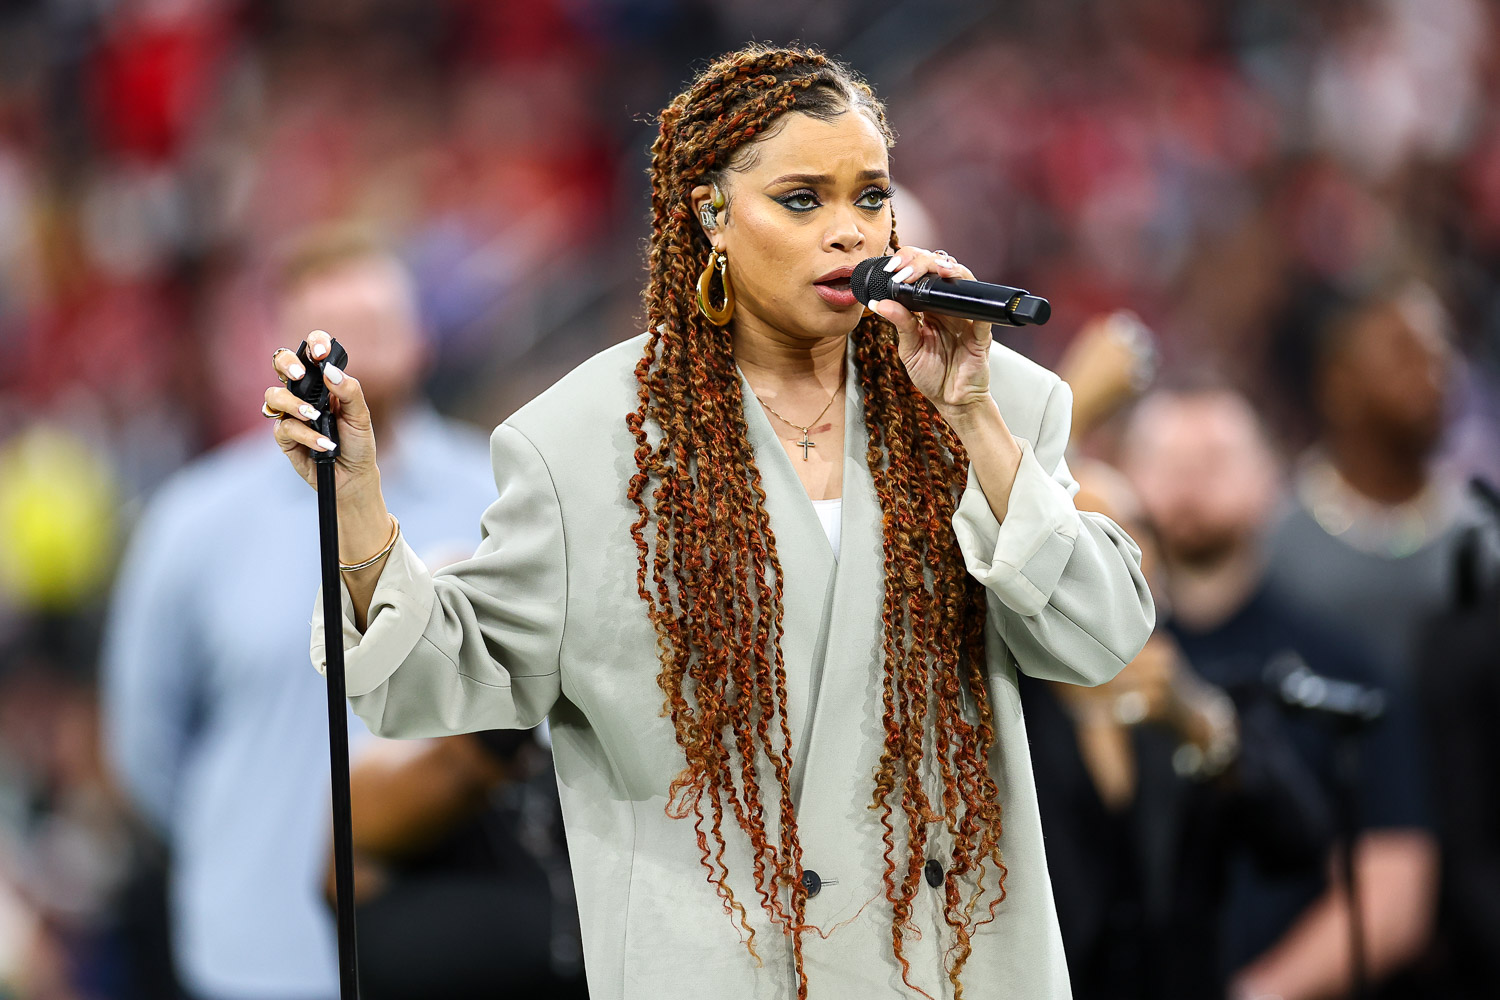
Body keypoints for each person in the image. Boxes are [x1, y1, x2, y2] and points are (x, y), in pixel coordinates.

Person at [265, 45, 1155, 1000]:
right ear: (711, 216)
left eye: (871, 197)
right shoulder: (583, 441)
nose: (851, 233)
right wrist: (355, 500)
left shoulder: (1000, 401)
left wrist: (972, 413)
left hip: (961, 967)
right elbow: (429, 682)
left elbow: (1100, 640)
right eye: (803, 199)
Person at [101, 229, 499, 1000]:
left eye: (378, 328)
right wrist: (239, 844)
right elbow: (145, 743)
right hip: (255, 954)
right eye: (332, 341)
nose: (357, 361)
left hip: (454, 945)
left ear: (421, 340)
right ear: (285, 358)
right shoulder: (195, 520)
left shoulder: (497, 494)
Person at [1120, 384, 1437, 1000]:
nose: (1190, 484)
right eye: (1167, 462)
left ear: (1273, 477)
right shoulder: (1083, 663)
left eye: (1215, 461)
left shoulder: (1343, 666)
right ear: (1124, 476)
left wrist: (1264, 991)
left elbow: (1396, 884)